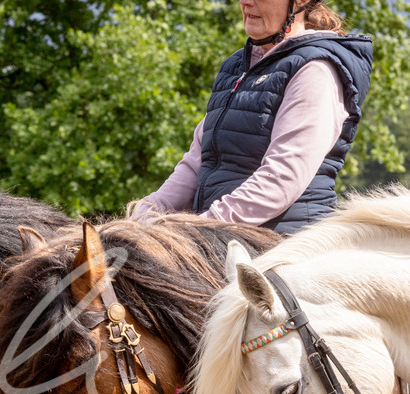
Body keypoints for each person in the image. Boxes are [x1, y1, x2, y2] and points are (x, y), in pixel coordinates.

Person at [134, 0, 372, 234]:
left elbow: (282, 178)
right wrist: (143, 216)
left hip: (285, 242)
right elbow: (196, 163)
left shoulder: (315, 70)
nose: (246, 2)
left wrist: (199, 228)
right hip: (222, 234)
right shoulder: (237, 66)